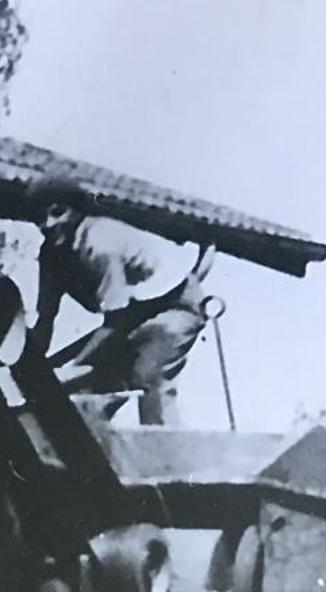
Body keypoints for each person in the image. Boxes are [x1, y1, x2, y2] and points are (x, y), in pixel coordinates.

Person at [22, 175, 216, 426]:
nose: (48, 224)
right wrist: (33, 368)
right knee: (86, 384)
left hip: (173, 305)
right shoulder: (50, 255)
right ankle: (87, 454)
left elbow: (114, 321)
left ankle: (164, 454)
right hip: (133, 314)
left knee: (148, 375)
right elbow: (45, 318)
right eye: (40, 218)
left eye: (58, 213)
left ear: (77, 211)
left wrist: (73, 367)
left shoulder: (99, 242)